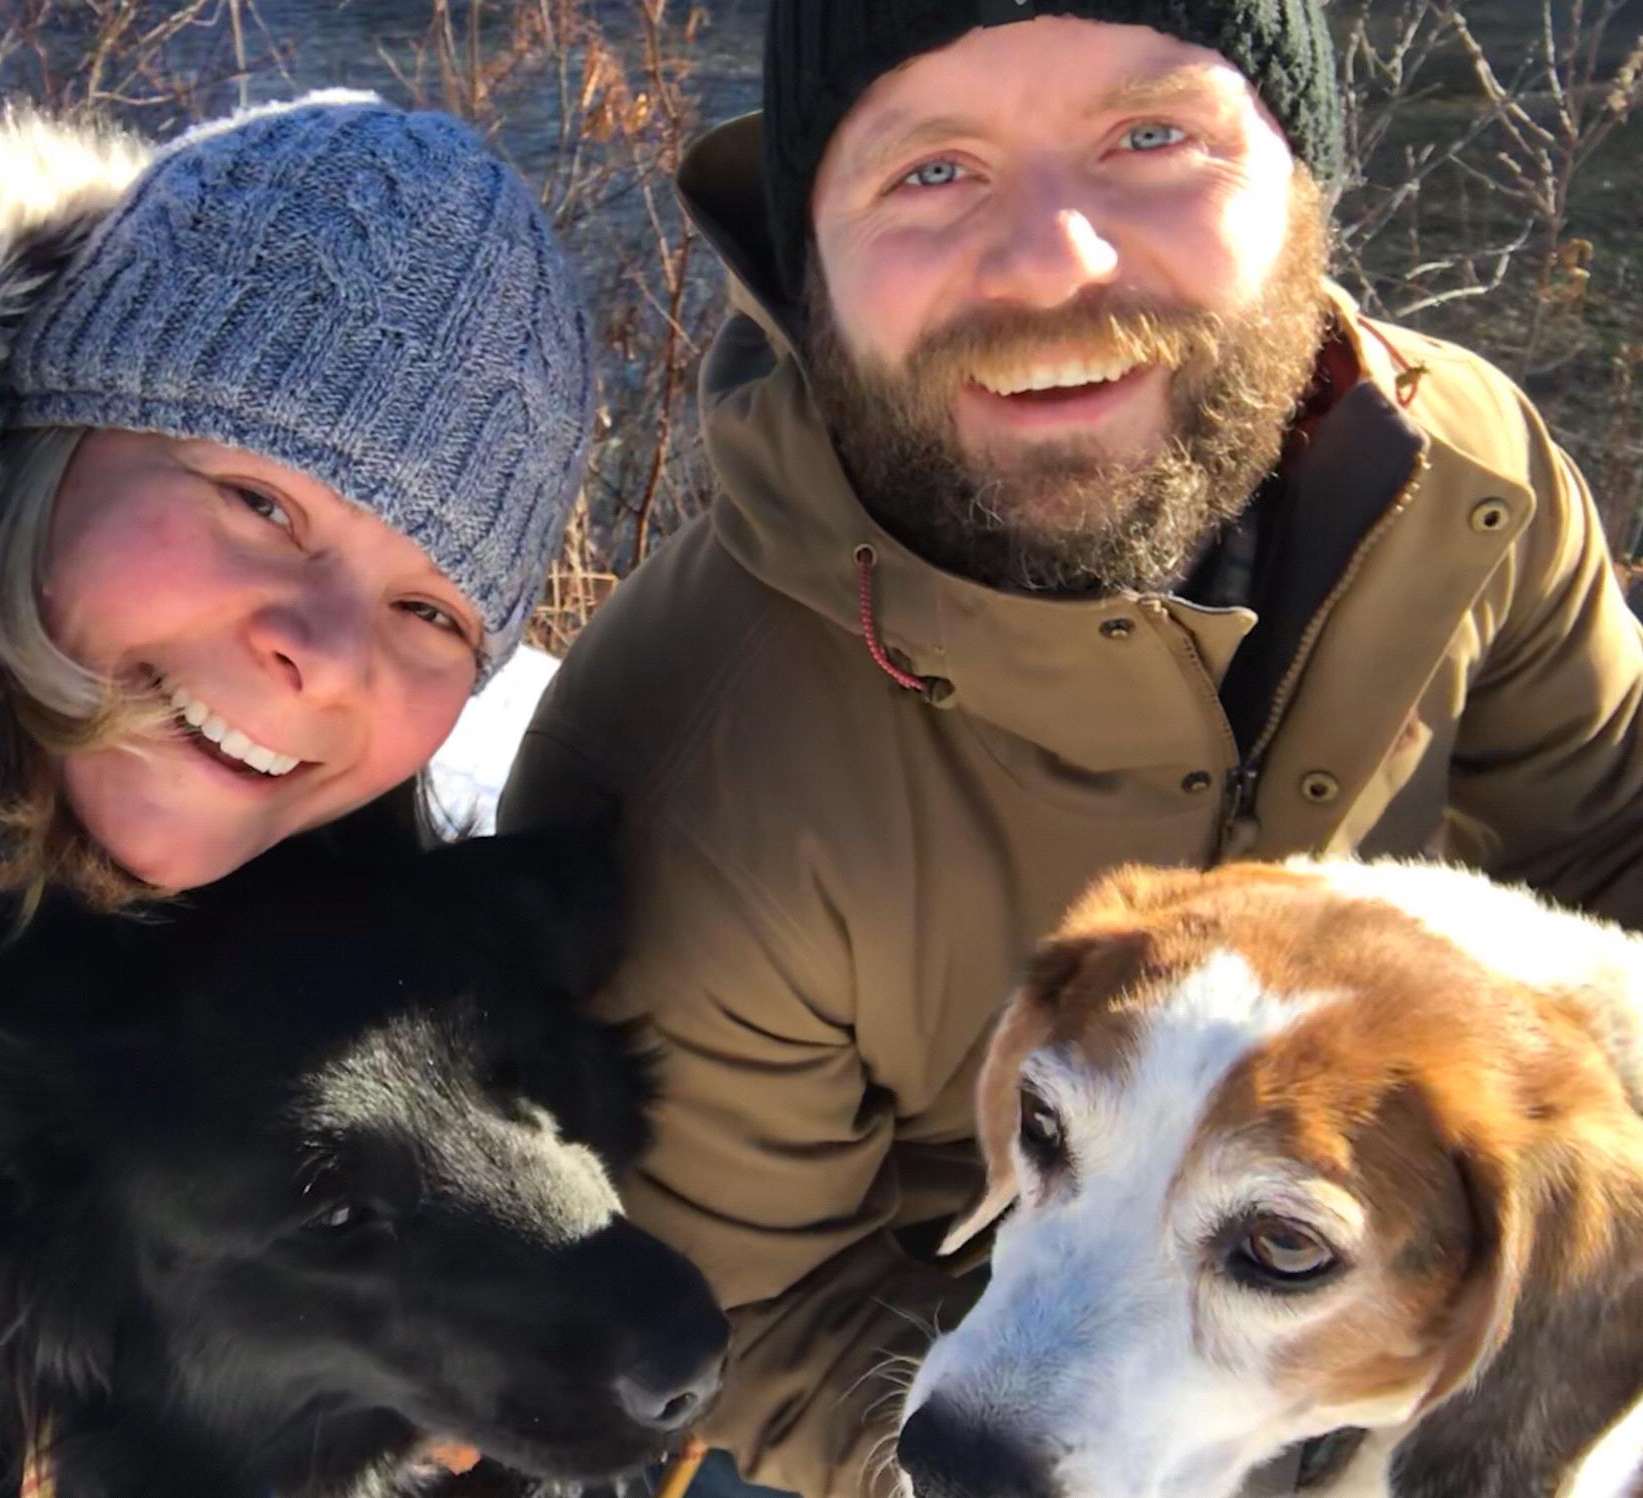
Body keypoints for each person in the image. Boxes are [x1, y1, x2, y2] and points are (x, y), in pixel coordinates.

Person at [499, 4, 1643, 1497]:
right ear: (805, 249)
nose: (1054, 259)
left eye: (1152, 136)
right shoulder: (690, 778)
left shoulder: (1469, 475)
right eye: (930, 169)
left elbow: (1606, 846)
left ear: (1303, 179)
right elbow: (752, 1315)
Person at [0, 90, 591, 1495]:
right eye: (259, 502)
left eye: (431, 611)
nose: (327, 656)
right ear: (50, 441)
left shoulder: (250, 947)